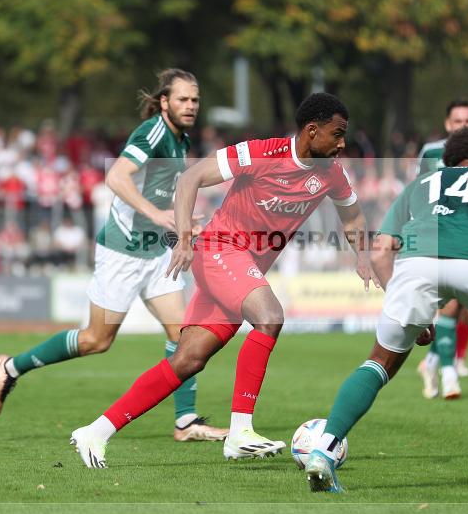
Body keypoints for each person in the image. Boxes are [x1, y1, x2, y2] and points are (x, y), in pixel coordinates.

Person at [68, 92, 377, 468]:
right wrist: (183, 237)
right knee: (270, 316)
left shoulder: (331, 175)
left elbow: (354, 217)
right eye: (337, 133)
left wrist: (362, 255)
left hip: (239, 265)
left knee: (187, 360)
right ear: (312, 131)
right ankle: (240, 432)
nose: (343, 143)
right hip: (219, 250)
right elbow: (191, 178)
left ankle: (95, 432)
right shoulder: (262, 152)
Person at [303, 126, 468, 493]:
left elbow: (381, 249)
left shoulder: (422, 184)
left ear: (451, 158)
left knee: (380, 360)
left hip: (416, 264)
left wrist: (412, 309)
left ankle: (323, 452)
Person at [0, 69, 228, 443]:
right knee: (97, 340)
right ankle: (11, 367)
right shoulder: (152, 133)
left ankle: (186, 422)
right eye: (182, 99)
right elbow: (116, 177)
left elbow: (163, 192)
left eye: (195, 100)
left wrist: (180, 225)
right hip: (124, 251)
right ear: (164, 102)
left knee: (184, 335)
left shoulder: (181, 139)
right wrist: (158, 216)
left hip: (156, 251)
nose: (191, 106)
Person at [416, 99, 468, 400]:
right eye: (458, 121)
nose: (463, 127)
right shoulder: (431, 153)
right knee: (450, 306)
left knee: (462, 306)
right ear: (447, 124)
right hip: (439, 235)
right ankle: (449, 374)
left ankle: (431, 363)